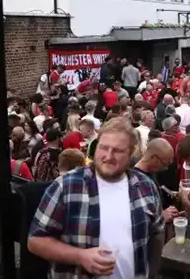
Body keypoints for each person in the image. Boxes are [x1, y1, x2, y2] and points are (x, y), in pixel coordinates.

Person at [28, 118, 164, 279]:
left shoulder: (145, 186)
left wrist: (153, 272)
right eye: (103, 148)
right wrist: (80, 256)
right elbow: (35, 241)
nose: (108, 156)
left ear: (130, 153)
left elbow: (157, 232)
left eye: (118, 150)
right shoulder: (67, 186)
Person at [134, 138, 180, 221]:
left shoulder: (151, 171)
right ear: (154, 158)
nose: (166, 168)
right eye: (165, 164)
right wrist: (162, 217)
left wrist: (171, 193)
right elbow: (140, 221)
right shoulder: (137, 182)